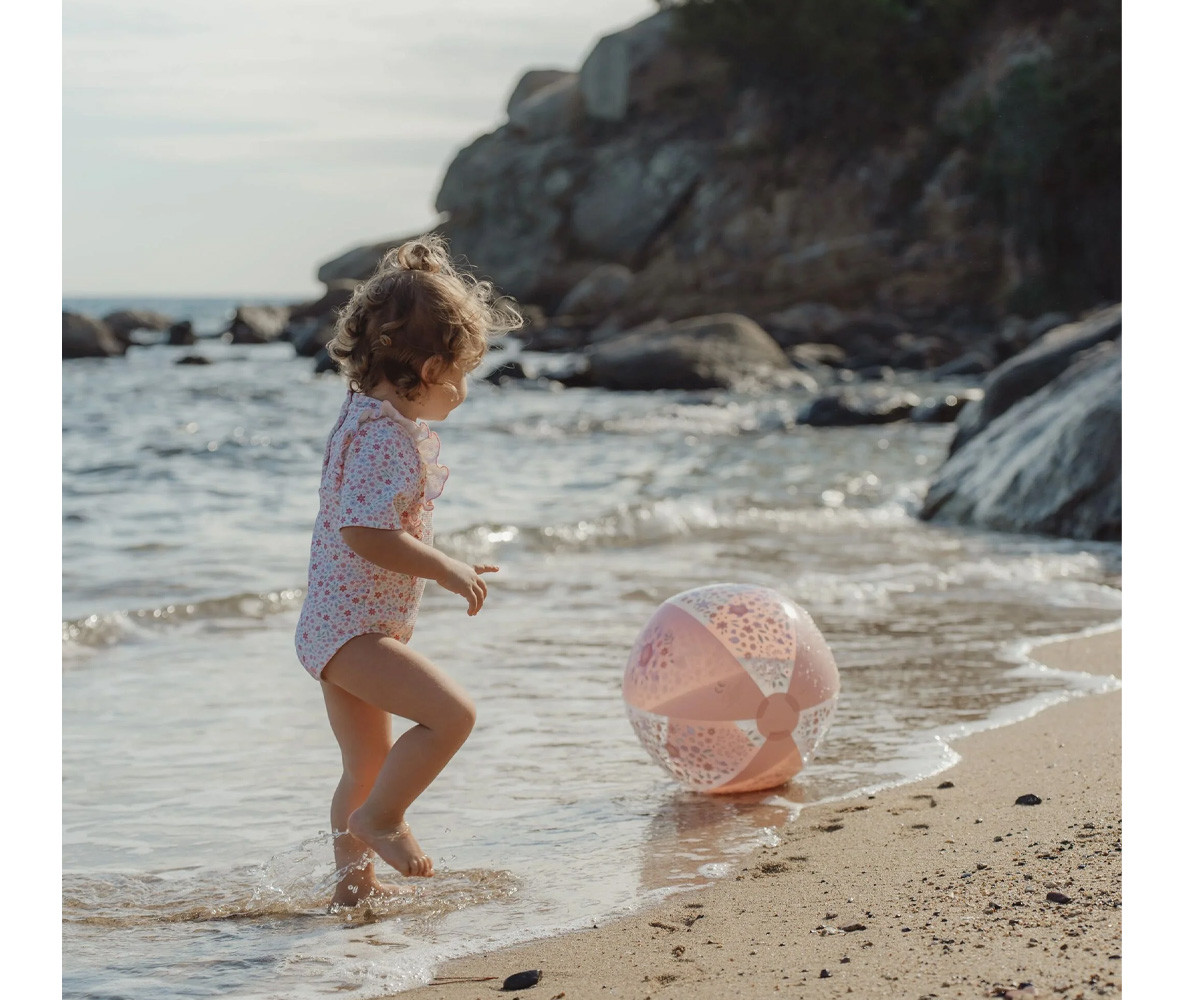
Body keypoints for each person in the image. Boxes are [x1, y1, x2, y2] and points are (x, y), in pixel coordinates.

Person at [295, 234, 522, 907]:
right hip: (356, 635)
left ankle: (352, 896)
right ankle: (382, 821)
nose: (462, 392)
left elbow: (380, 523)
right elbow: (366, 531)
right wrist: (444, 567)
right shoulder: (388, 439)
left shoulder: (361, 418)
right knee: (452, 717)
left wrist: (437, 560)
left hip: (335, 626)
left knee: (364, 765)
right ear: (427, 369)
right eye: (462, 375)